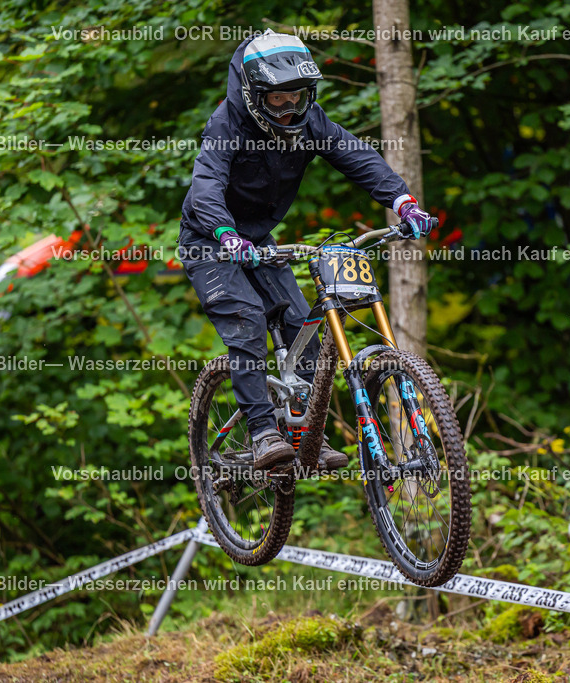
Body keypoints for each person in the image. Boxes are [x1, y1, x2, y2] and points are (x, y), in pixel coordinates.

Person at [177, 30, 435, 470]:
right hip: (210, 240)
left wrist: (401, 201)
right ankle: (261, 432)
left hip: (258, 241)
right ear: (254, 95)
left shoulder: (309, 121)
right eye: (278, 99)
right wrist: (225, 234)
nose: (290, 107)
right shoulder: (226, 125)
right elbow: (205, 188)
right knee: (248, 319)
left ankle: (304, 432)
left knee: (304, 328)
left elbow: (355, 154)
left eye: (297, 96)